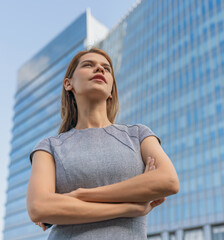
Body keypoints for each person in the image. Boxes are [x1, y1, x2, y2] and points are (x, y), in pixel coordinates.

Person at [26, 47, 179, 239]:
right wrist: (128, 207)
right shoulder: (49, 147)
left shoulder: (138, 134)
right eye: (88, 65)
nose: (99, 69)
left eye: (106, 68)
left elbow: (169, 180)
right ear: (68, 84)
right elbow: (38, 207)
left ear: (111, 91)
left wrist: (78, 195)